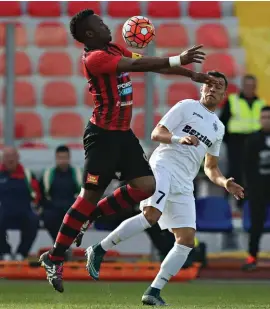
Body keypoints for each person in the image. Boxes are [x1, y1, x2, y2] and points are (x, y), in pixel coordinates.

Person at [39, 8, 217, 293]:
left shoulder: (112, 48)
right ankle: (54, 256)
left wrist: (188, 73)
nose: (106, 26)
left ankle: (91, 217)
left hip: (123, 135)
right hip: (102, 137)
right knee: (88, 196)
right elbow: (135, 66)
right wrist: (176, 58)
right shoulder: (95, 58)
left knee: (146, 186)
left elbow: (147, 64)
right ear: (88, 34)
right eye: (99, 24)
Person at [86, 71, 245, 306]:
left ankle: (154, 290)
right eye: (208, 85)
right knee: (151, 216)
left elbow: (210, 167)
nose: (212, 89)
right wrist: (179, 139)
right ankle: (99, 250)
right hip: (164, 166)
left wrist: (225, 182)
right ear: (202, 89)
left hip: (184, 180)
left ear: (223, 93)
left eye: (218, 86)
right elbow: (156, 133)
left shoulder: (218, 128)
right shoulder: (186, 107)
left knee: (186, 240)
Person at [220, 75, 265, 206]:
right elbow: (222, 123)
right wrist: (229, 141)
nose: (250, 88)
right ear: (243, 86)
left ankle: (248, 203)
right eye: (247, 85)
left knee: (254, 172)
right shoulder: (233, 100)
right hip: (236, 142)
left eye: (252, 86)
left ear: (255, 87)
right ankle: (231, 203)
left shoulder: (261, 103)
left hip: (255, 142)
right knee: (235, 172)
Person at [242, 106, 270, 271]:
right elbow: (247, 166)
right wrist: (250, 188)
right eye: (264, 117)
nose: (266, 120)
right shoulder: (253, 140)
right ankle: (252, 258)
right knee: (256, 225)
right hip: (258, 188)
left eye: (269, 117)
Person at [0, 147, 40, 261]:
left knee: (34, 220)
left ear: (18, 158)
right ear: (2, 159)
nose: (10, 160)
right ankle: (4, 252)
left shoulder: (27, 174)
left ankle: (21, 253)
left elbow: (37, 194)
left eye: (12, 157)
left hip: (24, 212)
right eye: (7, 157)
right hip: (4, 212)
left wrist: (37, 207)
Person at [40, 145, 82, 242]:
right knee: (48, 216)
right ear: (56, 158)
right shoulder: (47, 174)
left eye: (65, 158)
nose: (62, 161)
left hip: (72, 207)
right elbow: (42, 195)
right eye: (60, 158)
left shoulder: (78, 174)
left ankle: (62, 247)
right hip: (53, 207)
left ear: (69, 158)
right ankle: (61, 246)